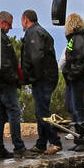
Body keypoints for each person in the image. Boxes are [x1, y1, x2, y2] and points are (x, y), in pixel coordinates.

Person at [20, 9, 61, 154]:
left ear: (26, 19)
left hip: (43, 78)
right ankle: (41, 143)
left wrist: (32, 77)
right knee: (40, 111)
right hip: (47, 76)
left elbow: (36, 57)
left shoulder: (33, 33)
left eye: (22, 20)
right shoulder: (40, 32)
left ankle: (55, 141)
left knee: (42, 112)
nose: (21, 24)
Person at [0, 11, 25, 159]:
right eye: (9, 24)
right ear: (2, 22)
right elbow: (4, 63)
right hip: (4, 83)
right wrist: (14, 79)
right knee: (14, 112)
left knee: (1, 114)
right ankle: (19, 146)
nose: (10, 27)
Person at [63, 12, 84, 125]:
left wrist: (71, 75)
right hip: (75, 78)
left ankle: (81, 129)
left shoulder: (78, 39)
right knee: (72, 107)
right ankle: (78, 128)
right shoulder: (75, 39)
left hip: (77, 79)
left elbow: (79, 60)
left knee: (78, 108)